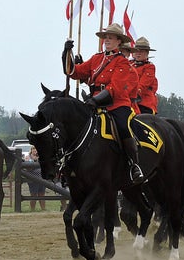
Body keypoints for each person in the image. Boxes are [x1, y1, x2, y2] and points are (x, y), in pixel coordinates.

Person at [63, 22, 143, 183]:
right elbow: (74, 72)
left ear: (119, 41)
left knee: (122, 126)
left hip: (116, 103)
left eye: (110, 37)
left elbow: (115, 88)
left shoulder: (122, 62)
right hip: (95, 102)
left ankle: (134, 165)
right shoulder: (96, 58)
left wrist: (95, 100)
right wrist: (66, 53)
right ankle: (68, 164)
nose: (107, 40)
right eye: (106, 37)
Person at [131, 36, 159, 115]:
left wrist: (129, 95)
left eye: (141, 51)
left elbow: (142, 86)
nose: (138, 53)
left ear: (147, 53)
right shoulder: (129, 64)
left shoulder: (150, 67)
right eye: (136, 51)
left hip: (144, 103)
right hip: (128, 100)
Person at [26, 146, 46, 211]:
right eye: (33, 148)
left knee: (42, 194)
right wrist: (34, 161)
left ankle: (43, 209)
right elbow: (28, 168)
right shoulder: (28, 157)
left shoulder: (42, 156)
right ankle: (32, 210)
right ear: (31, 150)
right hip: (33, 180)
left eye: (36, 148)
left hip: (42, 178)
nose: (35, 150)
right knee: (33, 195)